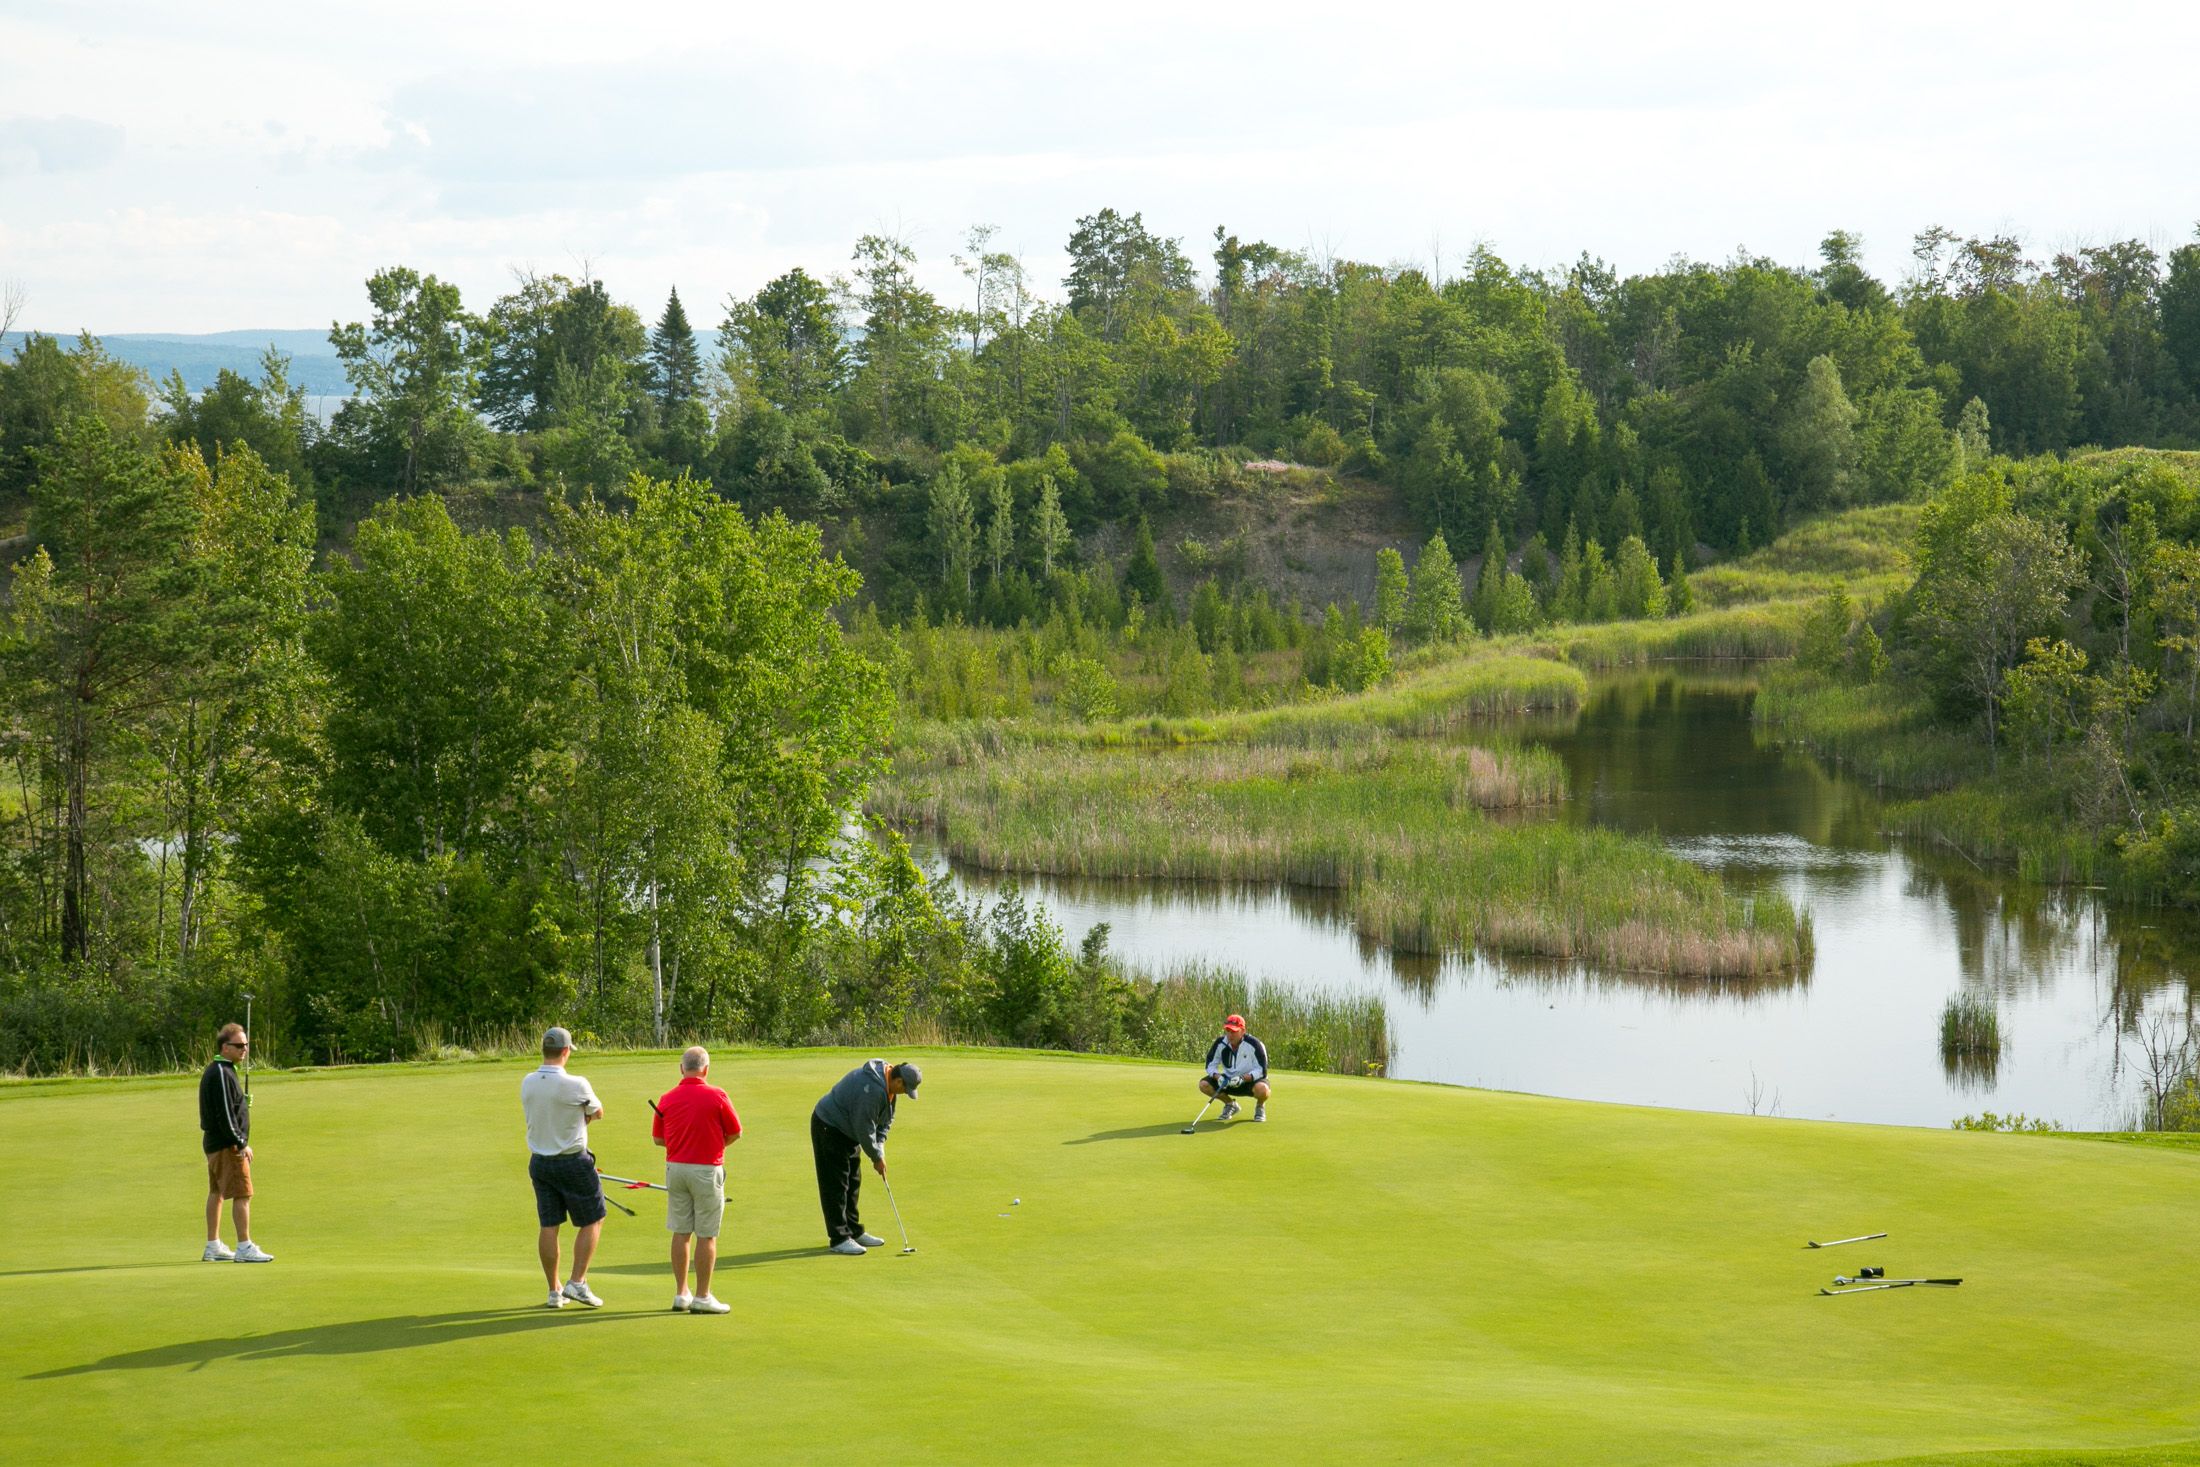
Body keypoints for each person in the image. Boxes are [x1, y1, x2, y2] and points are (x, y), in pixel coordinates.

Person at [520, 1026, 608, 1308]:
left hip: (540, 1163)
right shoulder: (577, 1084)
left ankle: (554, 1291)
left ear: (543, 1050)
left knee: (549, 1225)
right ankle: (577, 1282)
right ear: (566, 1051)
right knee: (593, 1219)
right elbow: (597, 1112)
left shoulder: (528, 1081)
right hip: (572, 1161)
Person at [652, 1046, 742, 1315]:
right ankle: (702, 1296)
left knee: (681, 1231)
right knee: (706, 1234)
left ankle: (681, 1293)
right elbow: (736, 1132)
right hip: (706, 1170)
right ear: (706, 1069)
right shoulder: (717, 1095)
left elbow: (658, 1139)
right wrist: (716, 1145)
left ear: (682, 1069)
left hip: (675, 1169)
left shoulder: (667, 1098)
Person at [810, 1059, 920, 1255]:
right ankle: (839, 1238)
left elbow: (885, 1121)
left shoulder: (889, 1089)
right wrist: (876, 1157)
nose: (905, 1093)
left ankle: (853, 1231)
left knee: (853, 1181)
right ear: (899, 1081)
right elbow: (864, 1128)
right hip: (829, 1127)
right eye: (906, 1089)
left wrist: (881, 1149)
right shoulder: (872, 1089)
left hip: (846, 1130)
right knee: (836, 1184)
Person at [199, 1022, 274, 1262]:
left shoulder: (224, 1069)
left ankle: (213, 1246)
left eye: (246, 1045)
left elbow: (229, 1106)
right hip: (226, 1144)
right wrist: (240, 1142)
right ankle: (244, 1246)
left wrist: (241, 1101)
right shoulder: (221, 1072)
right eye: (239, 1045)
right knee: (243, 1193)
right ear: (225, 1047)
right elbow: (223, 1114)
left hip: (216, 1143)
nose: (244, 1049)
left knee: (217, 1192)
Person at [1199, 1013, 1270, 1122]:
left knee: (1263, 1090)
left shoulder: (1255, 1044)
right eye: (1228, 1030)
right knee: (1204, 1085)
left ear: (1243, 1031)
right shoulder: (1220, 1043)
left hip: (1250, 1081)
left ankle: (1260, 1107)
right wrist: (1218, 1077)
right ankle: (1230, 1104)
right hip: (1227, 1080)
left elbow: (1261, 1070)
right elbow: (1210, 1065)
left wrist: (1243, 1078)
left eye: (1234, 1031)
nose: (1230, 1035)